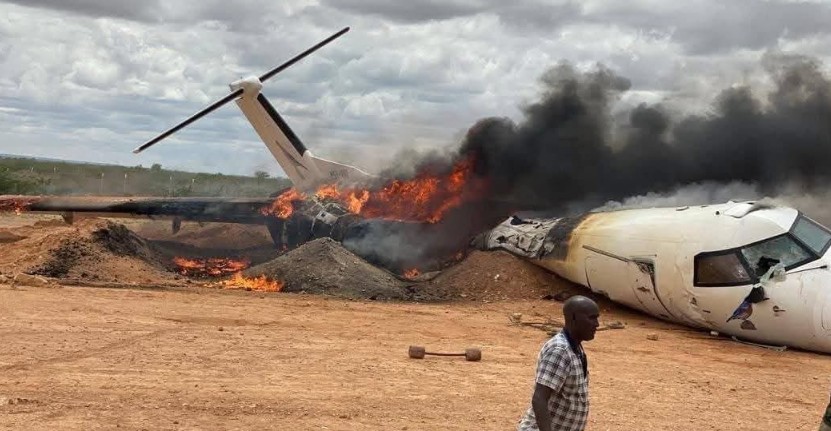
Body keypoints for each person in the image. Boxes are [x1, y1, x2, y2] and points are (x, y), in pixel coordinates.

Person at [517, 295, 600, 431]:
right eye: (592, 318)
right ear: (574, 318)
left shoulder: (575, 348)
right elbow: (539, 399)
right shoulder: (560, 350)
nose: (597, 324)